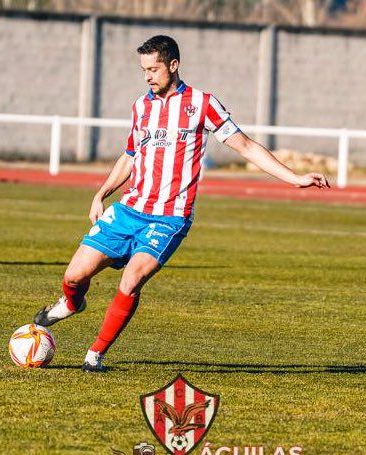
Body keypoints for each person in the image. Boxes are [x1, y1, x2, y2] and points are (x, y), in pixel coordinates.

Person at [34, 35, 330, 372]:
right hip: (129, 210)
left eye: (154, 68)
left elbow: (245, 146)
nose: (148, 76)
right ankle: (72, 305)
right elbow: (131, 156)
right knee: (74, 276)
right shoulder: (140, 107)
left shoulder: (203, 104)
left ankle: (94, 355)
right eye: (144, 69)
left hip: (169, 218)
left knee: (131, 280)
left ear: (173, 65)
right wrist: (101, 193)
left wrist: (295, 179)